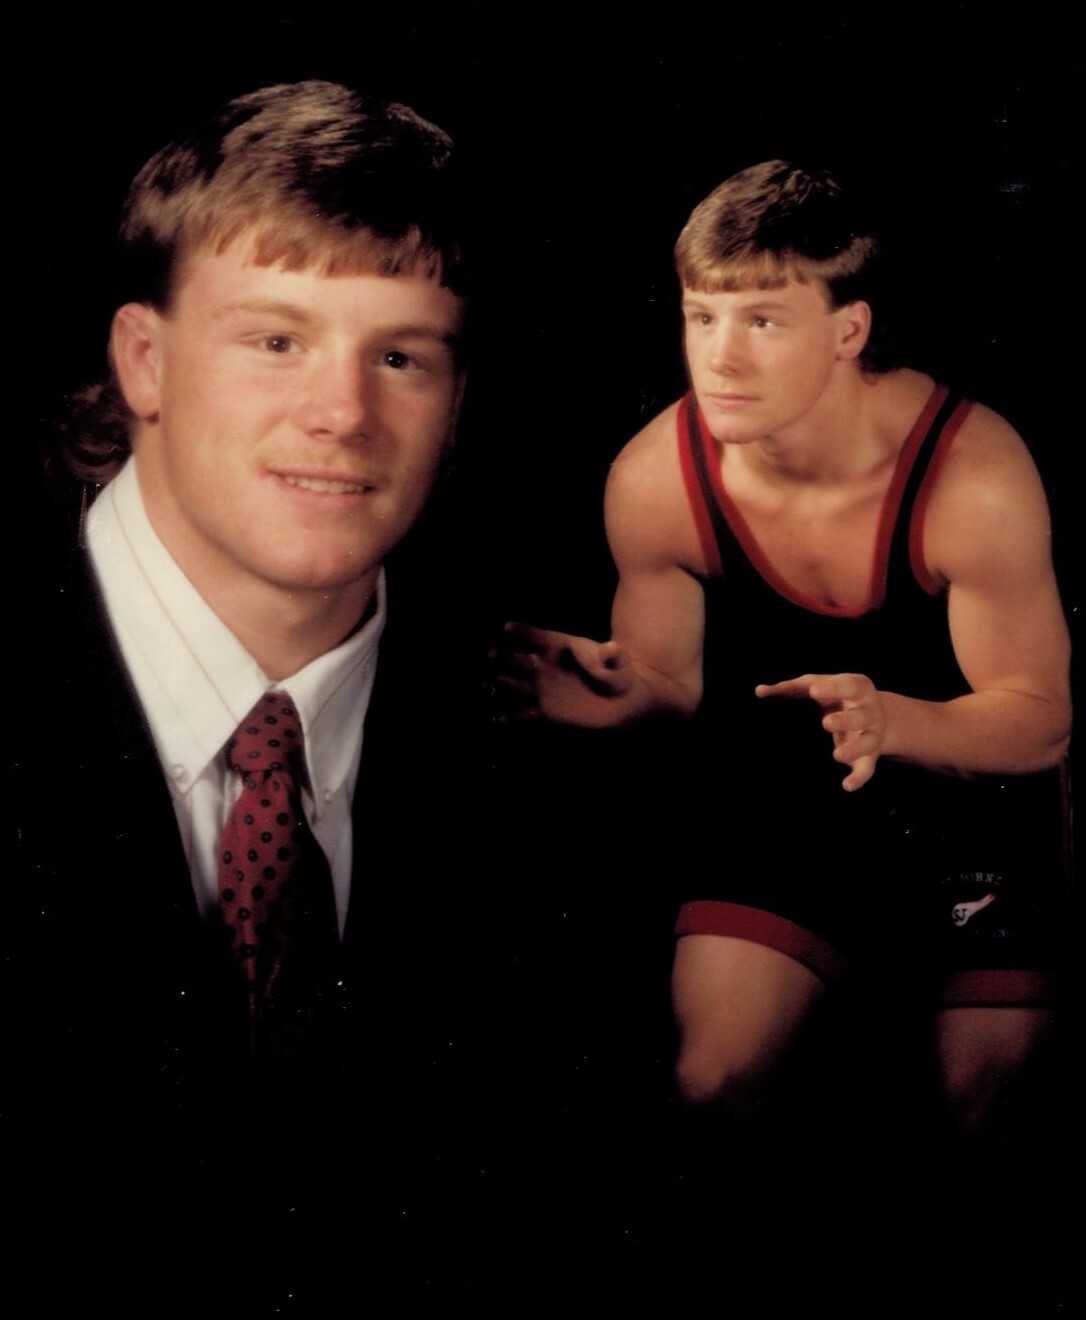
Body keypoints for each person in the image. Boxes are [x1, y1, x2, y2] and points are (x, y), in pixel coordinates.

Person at [7, 80, 492, 1307]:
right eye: (276, 341)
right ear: (144, 361)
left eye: (401, 356)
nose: (343, 415)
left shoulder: (556, 756)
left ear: (455, 403)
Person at [502, 160, 1071, 1141]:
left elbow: (1041, 723)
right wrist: (622, 696)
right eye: (702, 317)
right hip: (794, 796)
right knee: (711, 1079)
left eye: (762, 320)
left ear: (849, 332)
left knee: (979, 1110)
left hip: (978, 808)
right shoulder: (656, 478)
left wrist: (896, 721)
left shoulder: (969, 474)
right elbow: (672, 683)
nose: (720, 358)